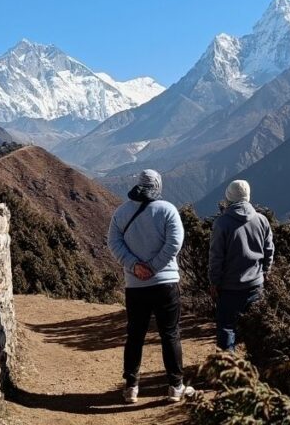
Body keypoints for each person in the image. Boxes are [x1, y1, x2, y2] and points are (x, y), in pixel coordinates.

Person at [107, 169, 195, 404]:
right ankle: (176, 386)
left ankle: (131, 387)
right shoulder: (168, 210)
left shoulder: (121, 212)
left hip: (135, 285)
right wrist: (155, 267)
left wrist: (134, 266)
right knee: (170, 333)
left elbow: (113, 242)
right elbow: (174, 243)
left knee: (135, 334)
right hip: (165, 283)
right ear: (157, 186)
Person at [207, 179, 274, 352]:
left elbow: (216, 256)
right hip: (256, 285)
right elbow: (269, 250)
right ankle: (256, 364)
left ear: (228, 197)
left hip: (229, 287)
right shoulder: (262, 220)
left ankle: (228, 364)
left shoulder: (222, 223)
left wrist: (214, 281)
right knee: (255, 329)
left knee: (227, 327)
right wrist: (265, 272)